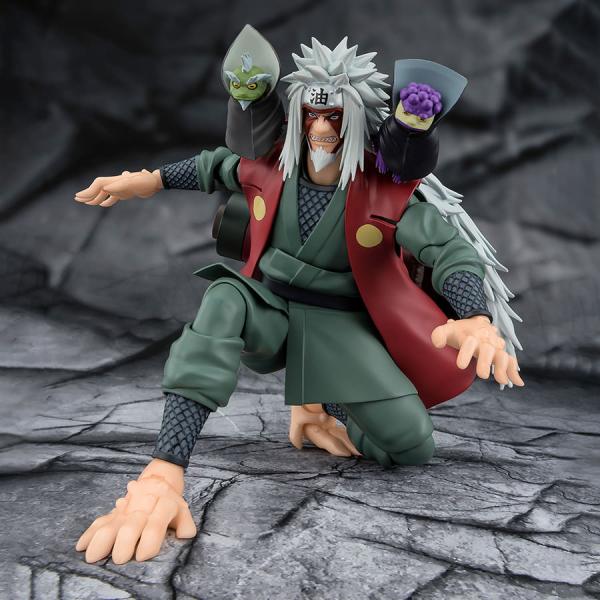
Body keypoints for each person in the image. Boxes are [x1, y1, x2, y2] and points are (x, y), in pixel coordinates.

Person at [73, 34, 523, 565]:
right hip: (272, 312)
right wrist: (147, 180)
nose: (322, 128)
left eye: (335, 116)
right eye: (312, 114)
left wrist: (474, 315)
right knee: (225, 296)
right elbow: (214, 166)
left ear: (359, 122)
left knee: (410, 446)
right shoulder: (271, 167)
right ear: (296, 116)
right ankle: (163, 472)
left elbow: (449, 249)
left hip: (341, 326)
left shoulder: (383, 190)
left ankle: (321, 401)